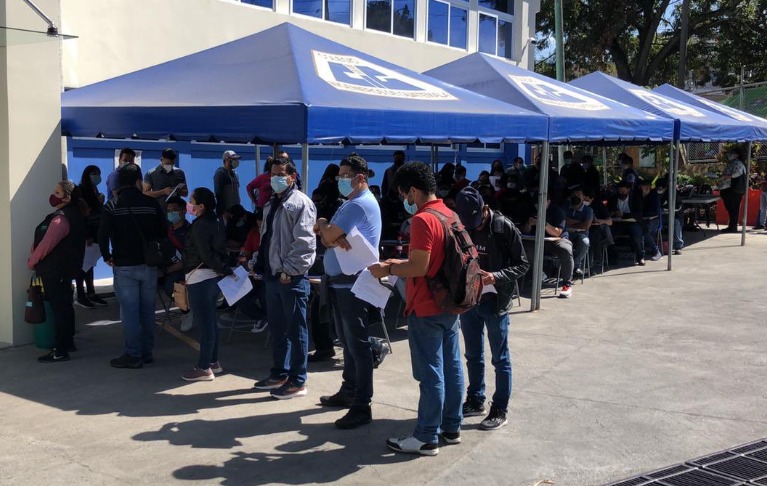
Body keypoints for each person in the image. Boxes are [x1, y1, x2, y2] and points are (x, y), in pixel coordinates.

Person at [368, 161, 464, 456]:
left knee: (430, 373)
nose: (403, 200)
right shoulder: (449, 213)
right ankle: (451, 426)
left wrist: (387, 268)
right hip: (451, 303)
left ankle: (425, 437)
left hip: (426, 306)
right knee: (452, 367)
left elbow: (419, 266)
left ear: (413, 191)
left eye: (403, 193)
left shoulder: (423, 220)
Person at [314, 154, 382, 429]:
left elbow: (329, 237)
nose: (340, 180)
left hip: (352, 284)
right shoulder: (350, 203)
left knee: (357, 345)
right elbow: (325, 234)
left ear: (360, 178)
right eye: (339, 176)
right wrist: (323, 224)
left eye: (345, 176)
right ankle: (349, 390)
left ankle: (361, 404)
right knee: (347, 342)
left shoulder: (359, 205)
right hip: (341, 282)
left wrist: (326, 230)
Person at [453, 187, 529, 430]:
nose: (473, 228)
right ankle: (476, 399)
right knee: (473, 355)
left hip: (496, 302)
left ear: (485, 208)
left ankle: (500, 408)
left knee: (500, 358)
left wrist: (495, 277)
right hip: (470, 300)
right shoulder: (461, 226)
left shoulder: (503, 227)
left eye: (476, 222)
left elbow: (522, 264)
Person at [253, 154, 317, 399]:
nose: (276, 178)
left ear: (292, 177)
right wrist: (258, 263)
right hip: (272, 275)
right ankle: (280, 372)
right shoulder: (271, 203)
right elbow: (267, 238)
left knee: (296, 329)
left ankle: (298, 380)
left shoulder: (301, 203)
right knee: (278, 329)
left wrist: (288, 271)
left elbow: (305, 243)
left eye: (281, 174)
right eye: (273, 174)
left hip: (290, 277)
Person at [99, 164, 167, 369]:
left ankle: (133, 354)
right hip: (149, 264)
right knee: (147, 311)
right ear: (139, 181)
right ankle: (146, 352)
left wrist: (106, 256)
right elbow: (164, 231)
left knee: (129, 312)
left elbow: (102, 234)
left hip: (124, 265)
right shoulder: (151, 203)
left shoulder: (112, 205)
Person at [27, 181, 87, 362]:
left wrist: (32, 261)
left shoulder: (61, 219)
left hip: (55, 270)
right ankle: (67, 342)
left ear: (67, 197)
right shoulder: (74, 214)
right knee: (66, 306)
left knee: (59, 308)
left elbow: (47, 244)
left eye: (57, 192)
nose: (53, 195)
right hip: (65, 270)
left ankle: (60, 350)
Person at [180, 187, 234, 381]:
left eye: (192, 200)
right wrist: (223, 269)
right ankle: (213, 361)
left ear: (201, 205)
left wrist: (223, 269)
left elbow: (204, 254)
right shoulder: (217, 222)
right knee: (211, 321)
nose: (190, 204)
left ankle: (204, 367)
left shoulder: (200, 225)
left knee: (205, 324)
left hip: (200, 277)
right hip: (211, 278)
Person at [520, 194, 575, 298]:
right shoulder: (531, 211)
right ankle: (536, 276)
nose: (538, 204)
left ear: (548, 202)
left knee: (566, 249)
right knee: (524, 249)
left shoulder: (557, 211)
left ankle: (567, 284)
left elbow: (557, 232)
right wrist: (529, 224)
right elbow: (525, 231)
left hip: (556, 240)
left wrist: (544, 223)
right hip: (536, 241)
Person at [158, 196, 194, 332]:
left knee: (171, 286)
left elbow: (188, 260)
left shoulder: (190, 231)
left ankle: (186, 311)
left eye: (174, 210)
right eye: (168, 211)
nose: (171, 213)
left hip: (183, 270)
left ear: (184, 211)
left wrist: (166, 271)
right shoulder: (165, 230)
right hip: (164, 267)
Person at [75, 165, 108, 308]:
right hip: (87, 232)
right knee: (83, 265)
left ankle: (91, 293)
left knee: (91, 264)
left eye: (98, 173)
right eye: (94, 174)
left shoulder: (94, 190)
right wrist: (86, 234)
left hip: (96, 230)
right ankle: (81, 295)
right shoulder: (81, 190)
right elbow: (82, 214)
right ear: (87, 175)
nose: (97, 177)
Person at [608, 182, 646, 265]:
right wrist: (612, 213)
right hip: (618, 223)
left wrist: (624, 215)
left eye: (623, 192)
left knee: (636, 236)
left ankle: (640, 257)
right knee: (609, 235)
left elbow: (639, 214)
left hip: (633, 222)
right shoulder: (613, 198)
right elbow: (608, 210)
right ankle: (612, 257)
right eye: (619, 192)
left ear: (628, 190)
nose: (621, 194)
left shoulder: (635, 198)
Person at [565, 187, 594, 276]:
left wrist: (571, 222)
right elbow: (564, 221)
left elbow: (586, 226)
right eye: (574, 195)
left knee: (585, 241)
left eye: (578, 194)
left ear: (583, 197)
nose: (575, 196)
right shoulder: (565, 207)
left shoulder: (588, 210)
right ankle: (559, 266)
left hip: (580, 235)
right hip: (566, 234)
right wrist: (579, 222)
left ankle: (574, 266)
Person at [719, 146, 748, 233]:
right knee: (732, 209)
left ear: (736, 155)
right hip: (729, 189)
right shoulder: (732, 162)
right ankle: (731, 226)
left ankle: (732, 227)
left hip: (733, 189)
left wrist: (724, 176)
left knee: (733, 209)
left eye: (731, 154)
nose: (729, 155)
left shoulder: (738, 163)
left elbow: (736, 174)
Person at [656, 177, 684, 254]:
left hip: (674, 216)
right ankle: (653, 245)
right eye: (657, 188)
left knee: (676, 223)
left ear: (665, 187)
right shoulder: (655, 193)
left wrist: (665, 208)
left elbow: (678, 207)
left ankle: (678, 246)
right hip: (659, 216)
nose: (659, 189)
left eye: (660, 188)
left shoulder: (672, 193)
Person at [639, 179, 662, 261]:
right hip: (640, 219)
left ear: (648, 187)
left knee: (645, 231)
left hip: (653, 220)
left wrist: (641, 214)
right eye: (641, 187)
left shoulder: (654, 196)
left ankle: (656, 251)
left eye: (644, 187)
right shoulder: (638, 195)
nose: (642, 189)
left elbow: (654, 212)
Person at [214, 150, 242, 218]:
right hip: (226, 213)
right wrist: (223, 211)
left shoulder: (235, 174)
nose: (236, 161)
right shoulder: (220, 173)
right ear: (226, 160)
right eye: (234, 159)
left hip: (236, 211)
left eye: (236, 159)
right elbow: (218, 194)